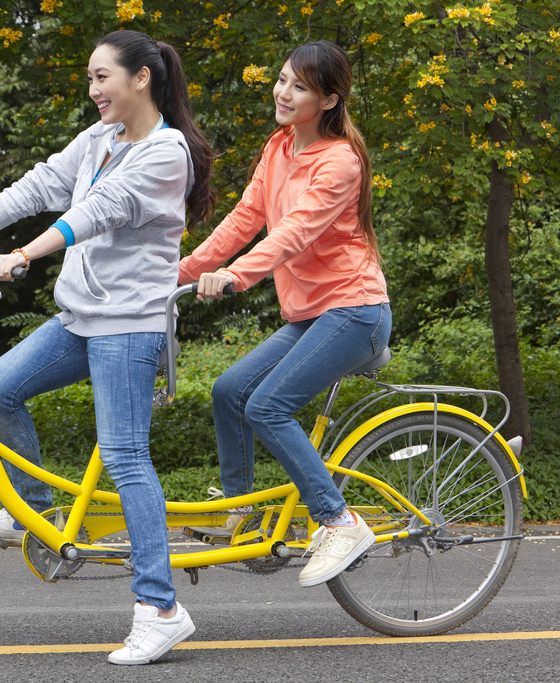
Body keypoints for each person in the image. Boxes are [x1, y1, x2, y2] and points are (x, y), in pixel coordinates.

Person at [0, 30, 214, 665]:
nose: (93, 91)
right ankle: (37, 515)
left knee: (126, 456)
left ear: (141, 78)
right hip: (81, 320)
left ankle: (161, 608)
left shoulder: (167, 154)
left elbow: (98, 213)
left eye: (102, 77)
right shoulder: (99, 141)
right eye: (89, 79)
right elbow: (35, 188)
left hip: (130, 328)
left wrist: (23, 255)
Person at [178, 40, 391, 588]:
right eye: (281, 80)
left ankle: (340, 520)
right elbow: (245, 217)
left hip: (355, 310)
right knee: (230, 391)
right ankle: (242, 508)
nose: (283, 92)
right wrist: (182, 271)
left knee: (268, 406)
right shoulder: (279, 147)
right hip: (310, 316)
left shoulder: (341, 161)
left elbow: (296, 232)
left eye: (299, 86)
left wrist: (236, 276)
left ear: (328, 99)